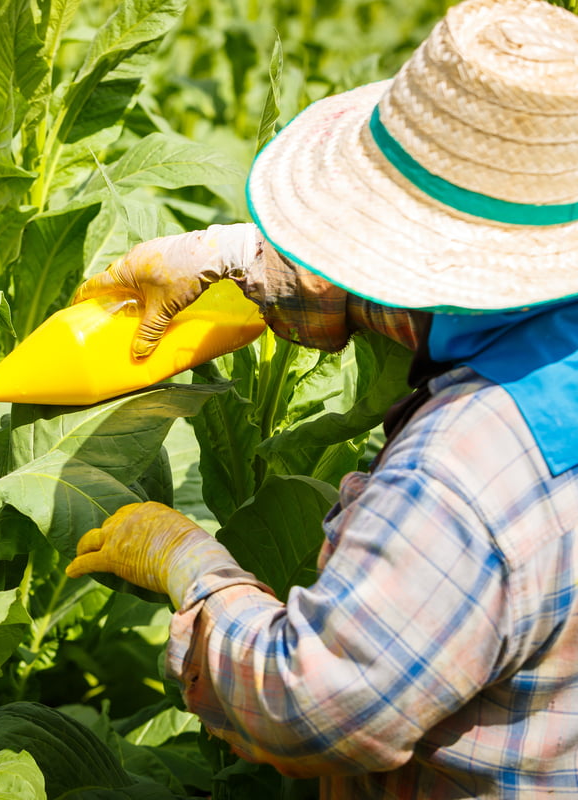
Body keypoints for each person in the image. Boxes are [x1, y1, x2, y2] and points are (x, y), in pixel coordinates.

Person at [63, 0, 578, 796]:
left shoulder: (463, 469)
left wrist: (193, 569)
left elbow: (311, 708)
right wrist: (244, 261)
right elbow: (446, 299)